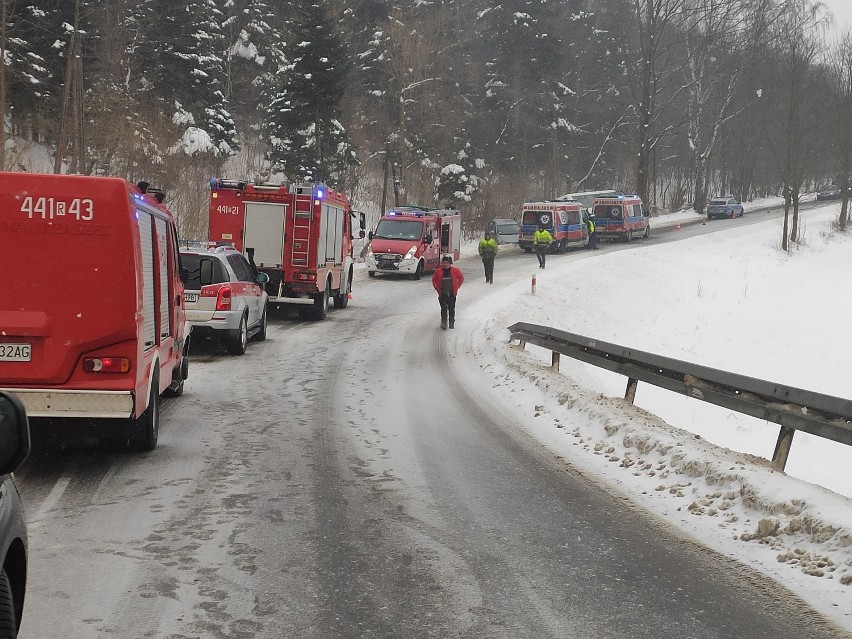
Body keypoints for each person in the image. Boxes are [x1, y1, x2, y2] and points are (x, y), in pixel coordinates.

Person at [431, 255, 464, 330]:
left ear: (450, 263)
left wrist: (457, 286)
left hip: (452, 293)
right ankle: (444, 322)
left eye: (447, 263)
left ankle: (451, 322)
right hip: (442, 293)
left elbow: (461, 278)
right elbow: (434, 280)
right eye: (444, 263)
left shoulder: (455, 270)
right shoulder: (438, 271)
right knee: (443, 308)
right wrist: (436, 287)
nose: (445, 264)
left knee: (451, 308)